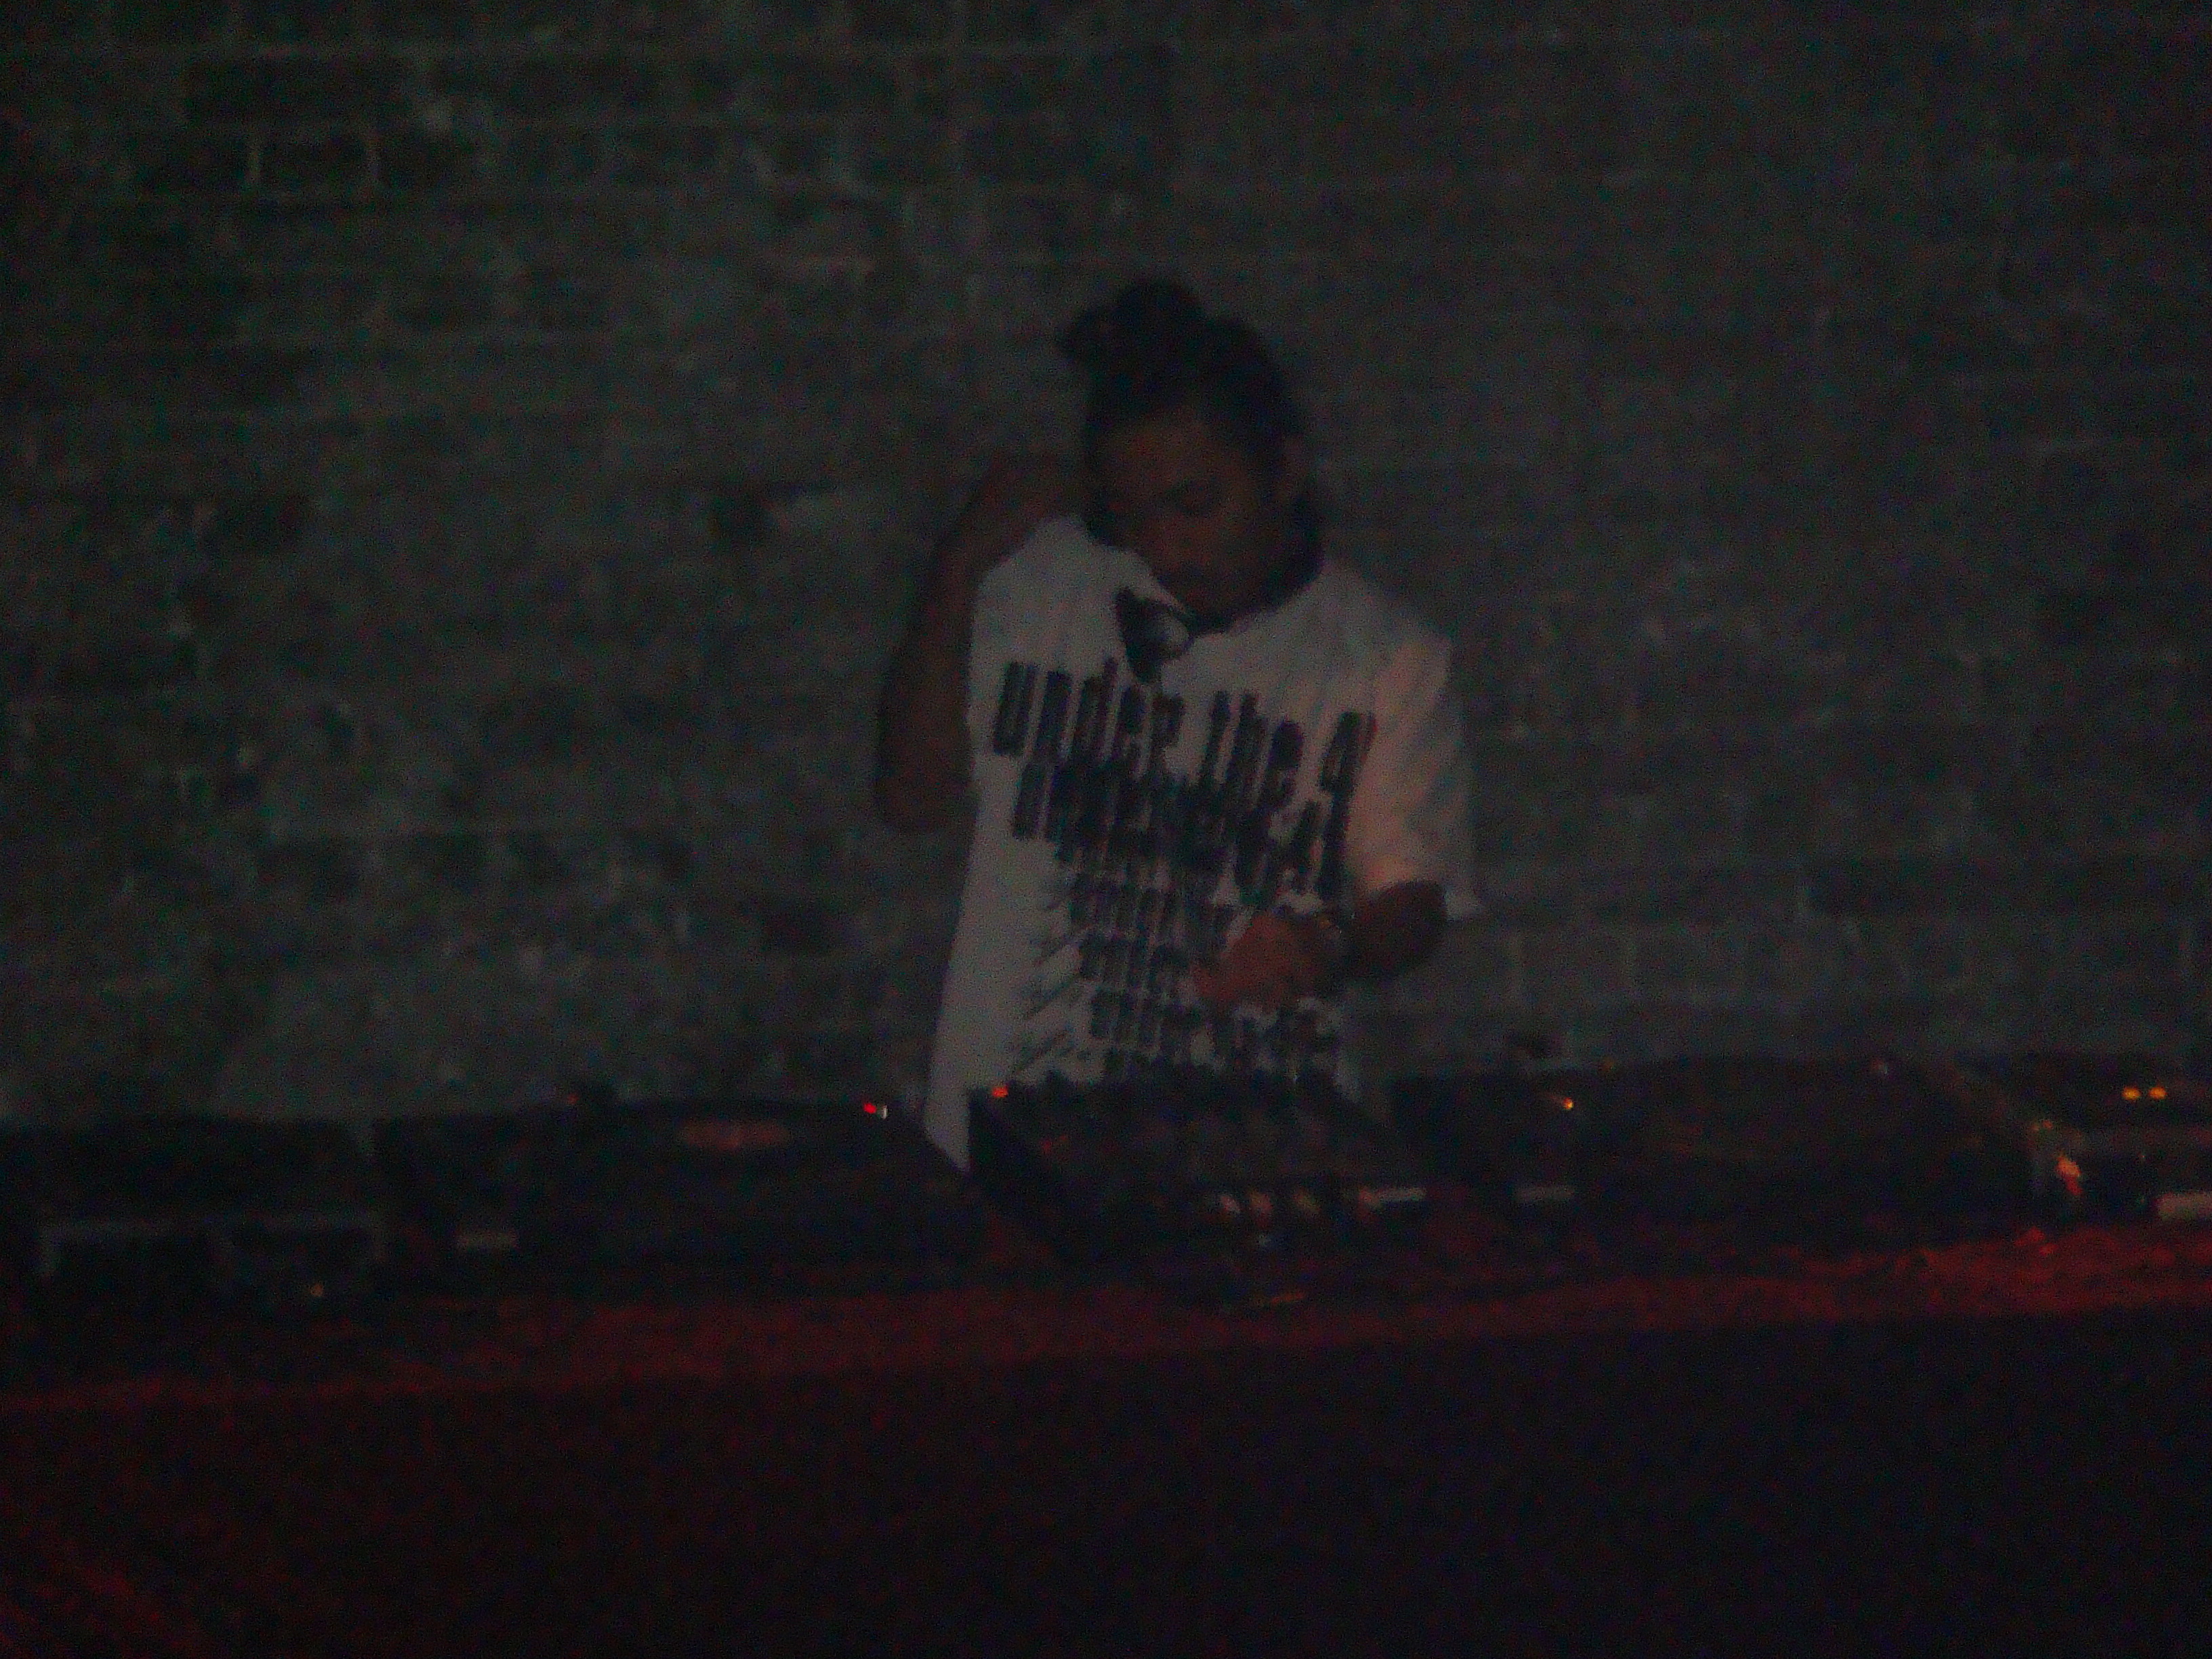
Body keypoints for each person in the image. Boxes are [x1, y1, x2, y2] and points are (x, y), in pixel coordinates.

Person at [876, 278, 1476, 1167]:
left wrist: (1325, 944)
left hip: (1259, 1147)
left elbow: (1414, 904)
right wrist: (959, 565)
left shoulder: (1388, 657)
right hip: (1020, 1148)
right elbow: (910, 799)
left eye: (1195, 506)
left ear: (1284, 472)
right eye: (1135, 517)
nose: (1166, 549)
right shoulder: (1046, 583)